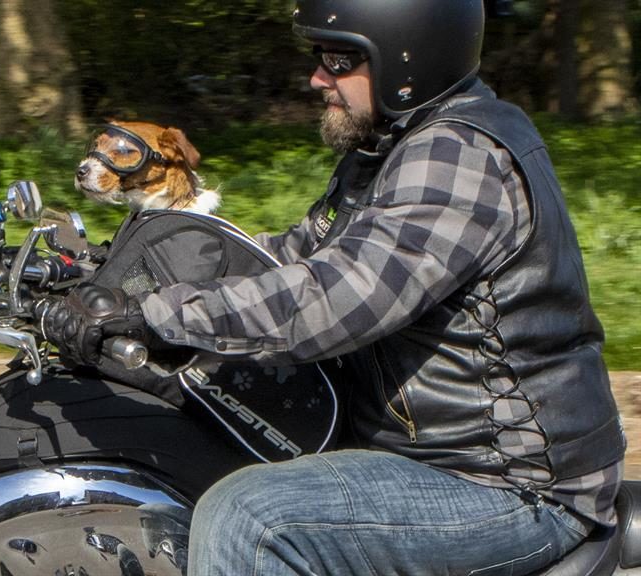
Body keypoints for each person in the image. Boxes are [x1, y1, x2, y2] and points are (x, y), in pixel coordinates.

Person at [42, 0, 626, 573]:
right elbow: (290, 255)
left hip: (499, 481)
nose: (317, 76)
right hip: (420, 450)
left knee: (250, 513)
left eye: (341, 60)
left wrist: (156, 314)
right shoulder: (387, 145)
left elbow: (334, 297)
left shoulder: (457, 155)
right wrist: (112, 273)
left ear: (408, 62)